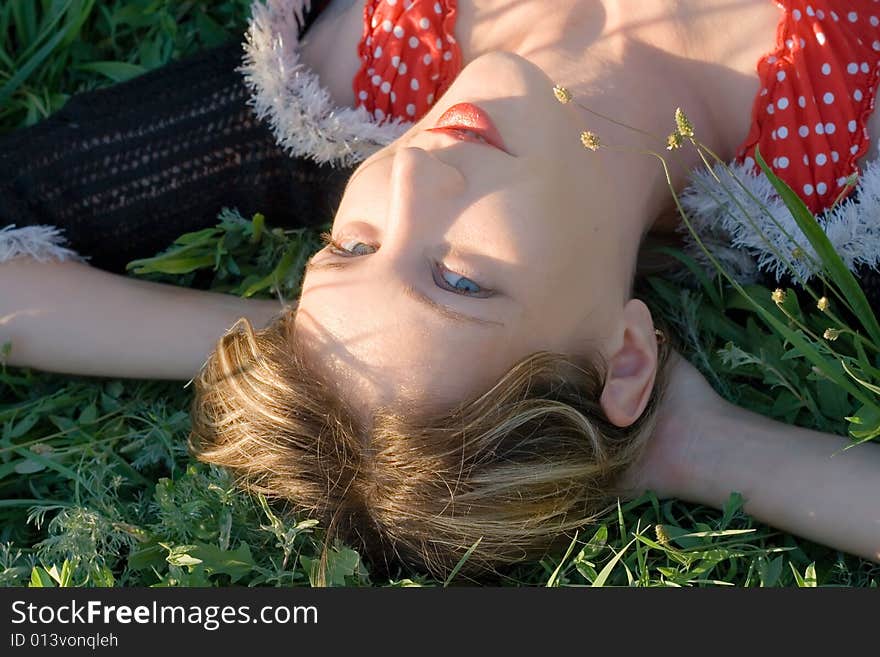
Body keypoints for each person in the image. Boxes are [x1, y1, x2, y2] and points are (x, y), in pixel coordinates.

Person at [3, 0, 880, 579]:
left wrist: (304, 350)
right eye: (458, 279)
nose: (412, 176)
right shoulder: (843, 153)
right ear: (625, 357)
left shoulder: (368, 72)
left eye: (351, 246)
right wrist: (707, 447)